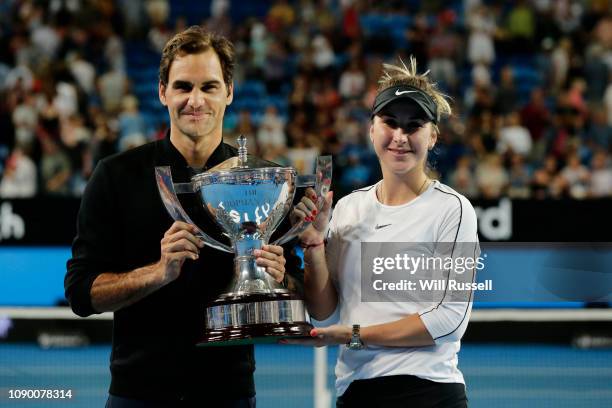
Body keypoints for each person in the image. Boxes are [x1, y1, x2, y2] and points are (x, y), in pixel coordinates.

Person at [65, 26, 298, 408]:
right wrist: (158, 272)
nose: (195, 100)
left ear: (229, 92)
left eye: (208, 86)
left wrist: (280, 275)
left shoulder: (266, 182)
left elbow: (304, 294)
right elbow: (80, 294)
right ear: (162, 92)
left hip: (230, 395)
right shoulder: (116, 175)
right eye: (183, 86)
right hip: (137, 394)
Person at [289, 57, 479, 407]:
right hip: (357, 393)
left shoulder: (453, 209)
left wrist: (355, 335)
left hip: (430, 393)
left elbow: (449, 320)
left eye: (414, 125)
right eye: (390, 122)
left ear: (433, 136)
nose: (400, 136)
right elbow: (324, 312)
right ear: (371, 130)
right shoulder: (347, 209)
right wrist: (314, 245)